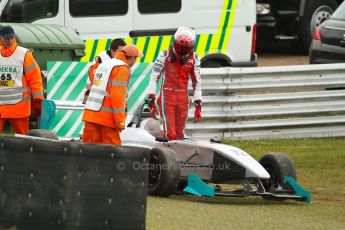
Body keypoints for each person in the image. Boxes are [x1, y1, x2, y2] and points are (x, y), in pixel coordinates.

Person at [147, 27, 202, 140]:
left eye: (185, 47)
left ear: (191, 47)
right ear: (174, 42)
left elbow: (197, 82)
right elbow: (154, 77)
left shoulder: (195, 58)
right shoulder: (164, 54)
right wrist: (151, 98)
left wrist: (198, 104)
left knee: (180, 134)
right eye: (180, 46)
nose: (181, 49)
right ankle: (167, 156)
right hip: (167, 97)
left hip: (183, 98)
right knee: (170, 135)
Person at [82, 44, 143, 145]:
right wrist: (120, 121)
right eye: (136, 58)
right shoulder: (122, 68)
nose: (135, 61)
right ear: (132, 58)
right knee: (112, 154)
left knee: (89, 154)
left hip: (91, 115)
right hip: (107, 120)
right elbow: (117, 96)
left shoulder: (105, 64)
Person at [0, 26, 44, 134]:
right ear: (1, 38)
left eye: (12, 37)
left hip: (18, 108)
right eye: (7, 38)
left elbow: (35, 78)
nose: (10, 41)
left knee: (23, 140)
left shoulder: (24, 54)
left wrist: (38, 99)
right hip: (3, 108)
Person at [83, 38, 127, 104]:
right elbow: (95, 81)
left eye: (124, 52)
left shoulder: (118, 61)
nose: (122, 55)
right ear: (112, 51)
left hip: (104, 98)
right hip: (93, 97)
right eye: (120, 52)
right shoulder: (101, 59)